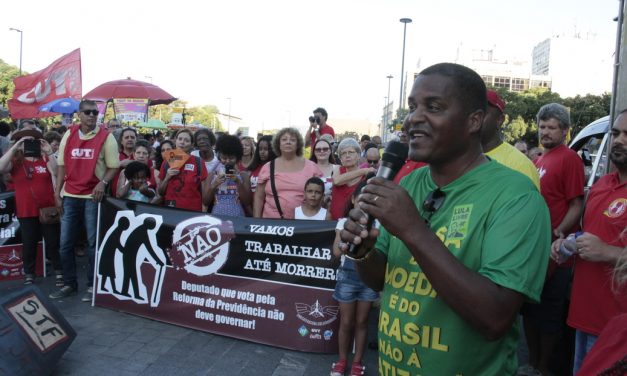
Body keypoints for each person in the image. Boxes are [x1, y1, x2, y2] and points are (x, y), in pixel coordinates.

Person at [339, 63, 551, 374]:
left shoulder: (517, 196)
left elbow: (495, 318)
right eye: (412, 107)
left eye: (434, 107)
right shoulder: (409, 183)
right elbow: (380, 279)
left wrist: (413, 229)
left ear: (474, 121)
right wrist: (362, 251)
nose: (413, 118)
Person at [551, 110, 627, 374]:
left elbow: (603, 247)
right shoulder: (602, 185)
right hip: (584, 317)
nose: (619, 140)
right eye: (616, 133)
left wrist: (607, 252)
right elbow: (591, 235)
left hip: (618, 329)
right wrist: (570, 245)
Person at [521, 103, 584, 376]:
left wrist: (558, 234)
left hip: (556, 255)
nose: (545, 132)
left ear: (565, 131)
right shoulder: (539, 161)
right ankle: (532, 363)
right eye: (542, 126)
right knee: (531, 311)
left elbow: (576, 205)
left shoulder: (569, 158)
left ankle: (544, 368)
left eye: (552, 127)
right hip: (534, 251)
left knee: (548, 315)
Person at [49, 99, 120, 301]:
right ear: (78, 114)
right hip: (69, 195)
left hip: (92, 197)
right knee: (65, 244)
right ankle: (70, 284)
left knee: (92, 244)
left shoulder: (107, 137)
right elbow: (61, 165)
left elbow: (113, 166)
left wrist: (102, 183)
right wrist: (57, 193)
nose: (91, 116)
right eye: (87, 112)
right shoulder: (69, 134)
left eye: (95, 113)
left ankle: (92, 285)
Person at [0, 129, 62, 286]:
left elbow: (55, 171)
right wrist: (14, 148)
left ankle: (59, 271)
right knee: (29, 242)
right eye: (25, 141)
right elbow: (1, 169)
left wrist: (49, 153)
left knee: (53, 241)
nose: (29, 143)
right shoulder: (15, 161)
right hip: (26, 209)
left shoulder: (44, 158)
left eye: (33, 140)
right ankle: (29, 273)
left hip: (47, 208)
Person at [330, 180, 378, 376]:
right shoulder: (342, 223)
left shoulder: (378, 226)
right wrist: (343, 245)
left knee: (362, 321)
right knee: (346, 322)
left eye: (370, 202)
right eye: (361, 200)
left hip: (368, 279)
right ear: (353, 200)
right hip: (347, 277)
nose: (364, 206)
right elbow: (335, 252)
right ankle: (342, 361)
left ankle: (357, 363)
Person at [253, 127, 323, 219]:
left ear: (298, 144)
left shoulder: (312, 167)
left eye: (292, 140)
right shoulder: (268, 167)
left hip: (304, 223)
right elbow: (259, 196)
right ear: (278, 144)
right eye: (284, 139)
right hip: (272, 224)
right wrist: (256, 221)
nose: (288, 142)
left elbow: (321, 195)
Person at [481, 90, 540, 190]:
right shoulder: (456, 160)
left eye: (482, 113)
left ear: (500, 120)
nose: (474, 117)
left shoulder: (521, 165)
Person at [158, 129, 208, 211]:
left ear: (192, 144)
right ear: (175, 141)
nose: (182, 142)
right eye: (180, 139)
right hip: (170, 210)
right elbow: (160, 192)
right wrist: (167, 177)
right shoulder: (167, 161)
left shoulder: (198, 162)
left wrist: (203, 211)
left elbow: (204, 194)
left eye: (186, 140)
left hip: (192, 211)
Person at [330, 138, 375, 220]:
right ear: (341, 159)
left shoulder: (365, 178)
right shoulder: (337, 169)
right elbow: (336, 181)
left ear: (358, 156)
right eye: (343, 153)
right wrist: (364, 170)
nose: (347, 155)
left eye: (351, 152)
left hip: (354, 226)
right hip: (333, 224)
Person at [207, 134, 251, 217]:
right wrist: (214, 185)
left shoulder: (243, 176)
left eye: (231, 158)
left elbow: (247, 202)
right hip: (217, 220)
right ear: (219, 156)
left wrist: (238, 182)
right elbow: (205, 201)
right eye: (224, 158)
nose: (227, 161)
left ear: (237, 158)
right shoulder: (212, 175)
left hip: (238, 219)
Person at [309, 138, 338, 208]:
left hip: (333, 208)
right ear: (314, 152)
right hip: (312, 208)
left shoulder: (338, 168)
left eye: (325, 149)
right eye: (318, 150)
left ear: (330, 151)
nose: (322, 151)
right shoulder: (308, 168)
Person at [110, 127, 138, 198]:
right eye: (126, 137)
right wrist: (120, 164)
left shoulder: (141, 156)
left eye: (132, 137)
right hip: (115, 198)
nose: (129, 139)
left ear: (136, 140)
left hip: (137, 198)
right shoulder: (114, 155)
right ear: (121, 141)